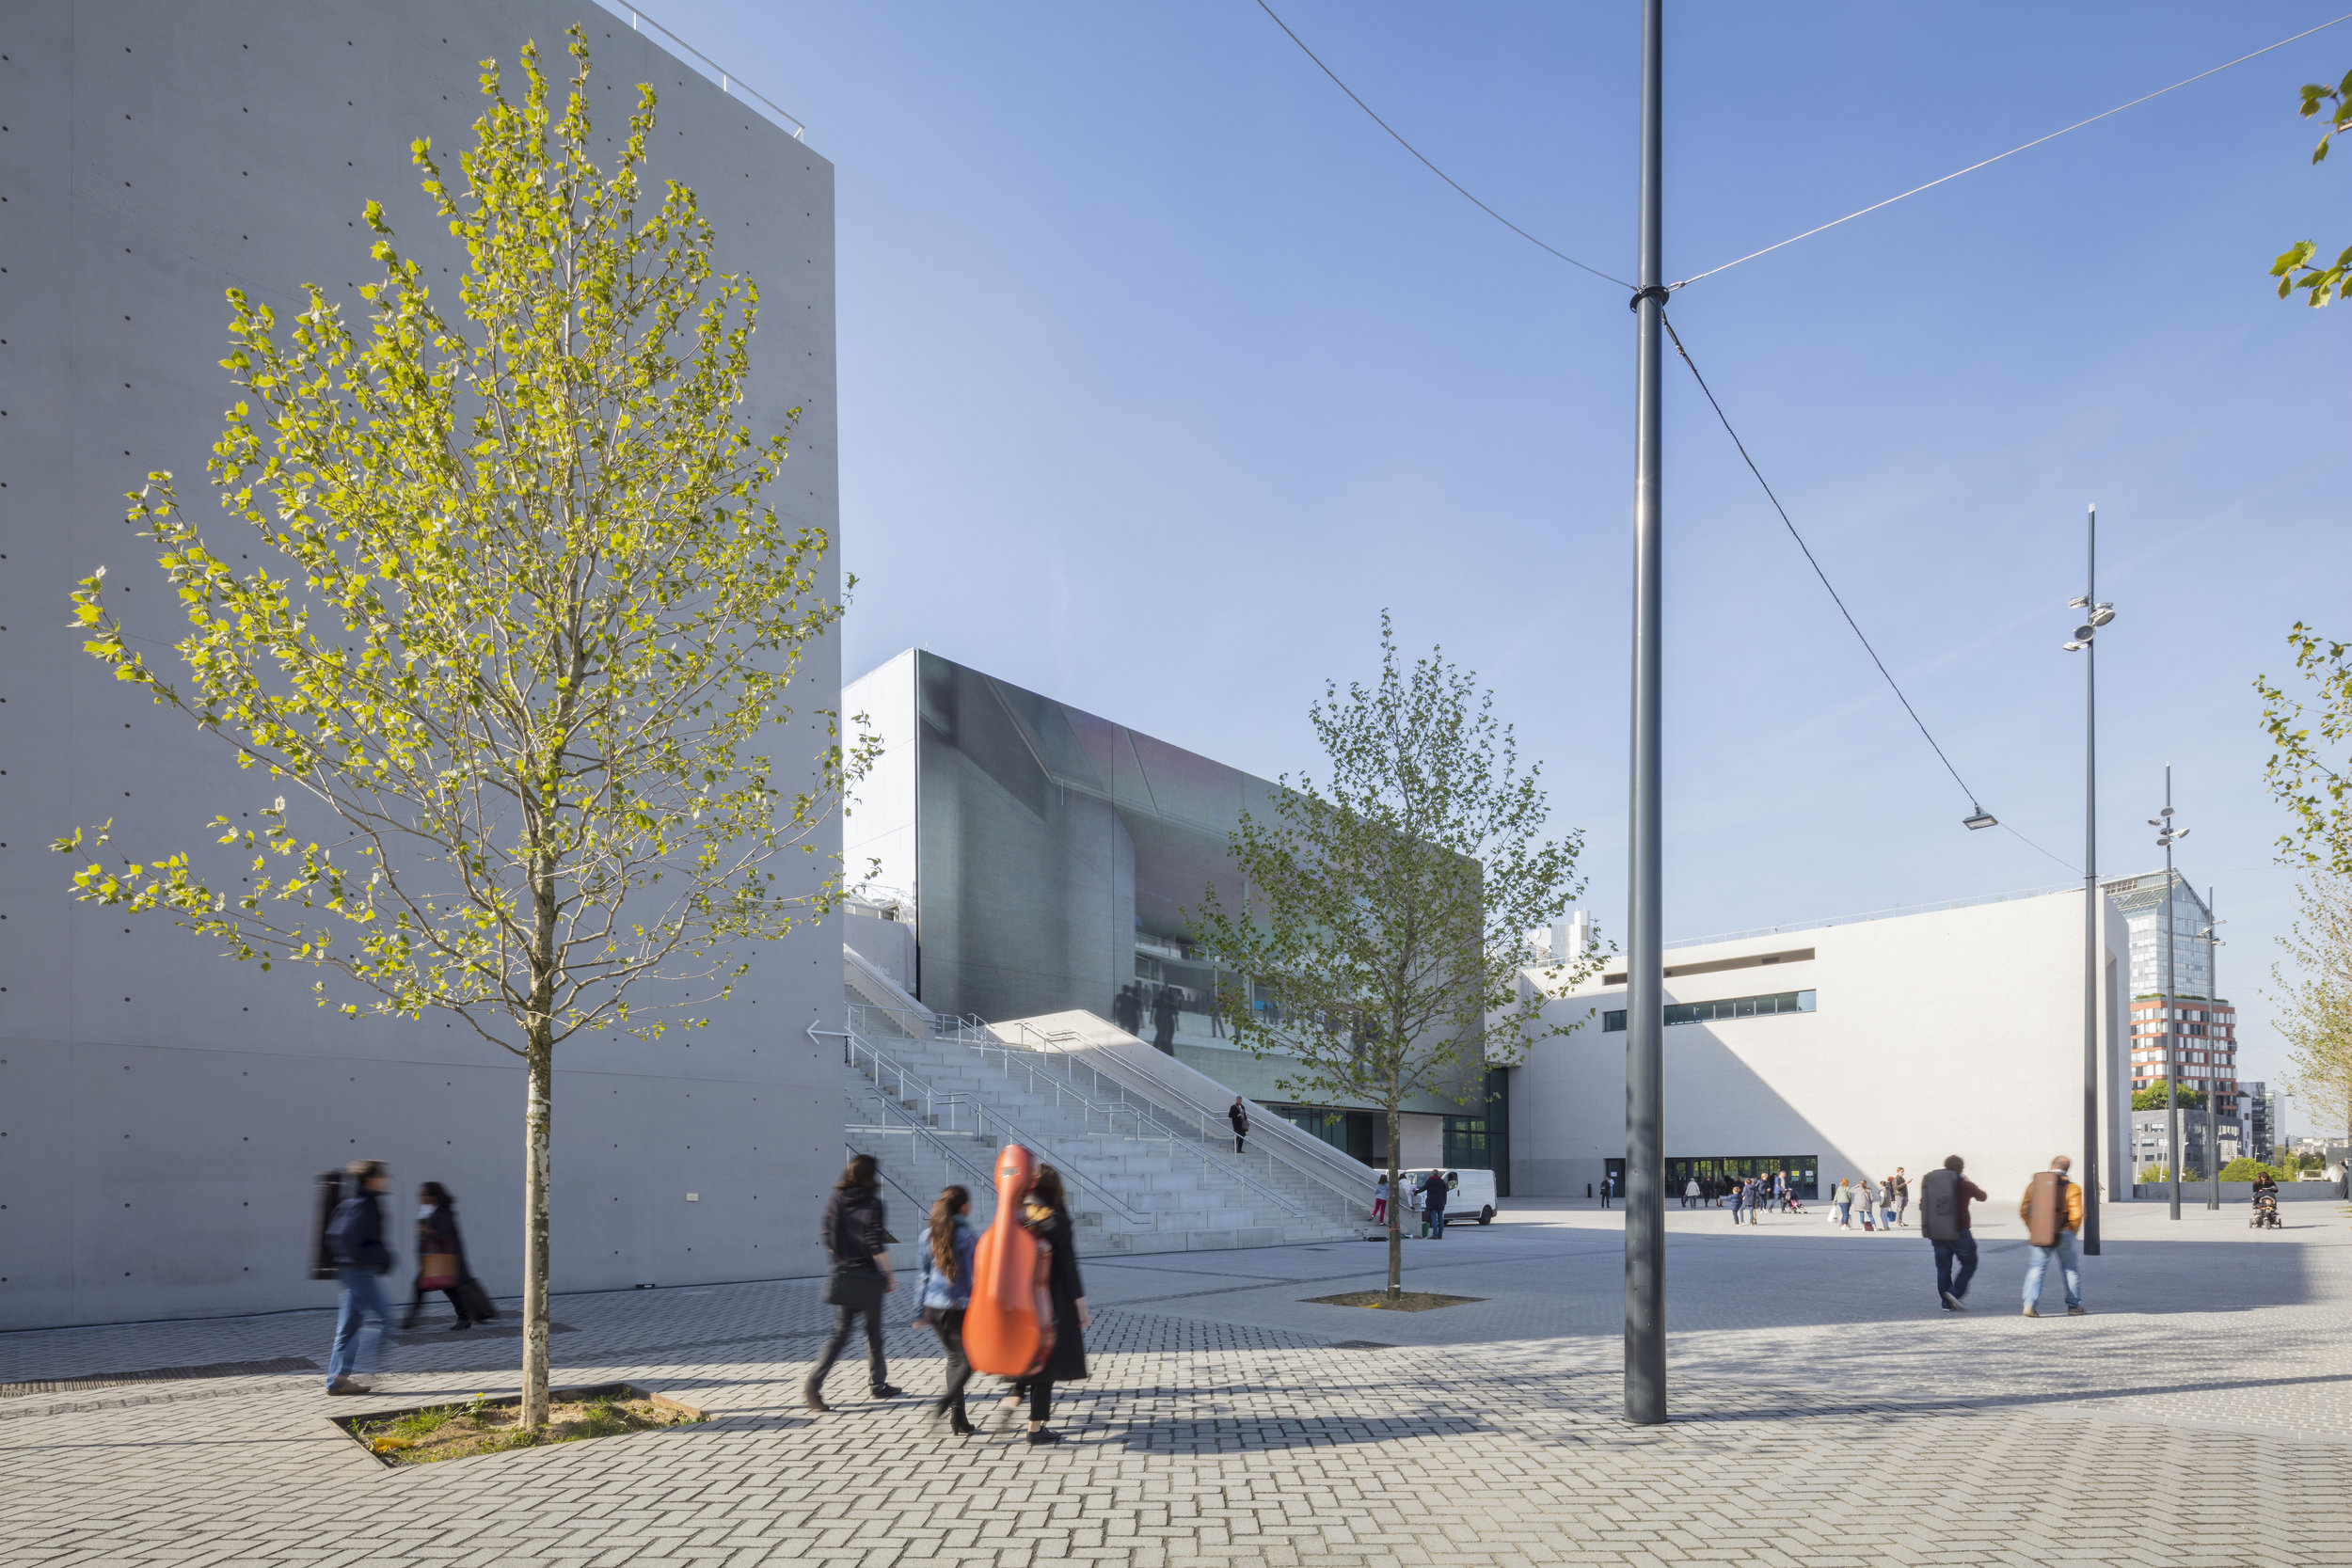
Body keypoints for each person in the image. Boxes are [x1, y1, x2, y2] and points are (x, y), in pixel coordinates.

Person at [995, 1164, 1089, 1444]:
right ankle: (1035, 1429)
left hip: (1021, 1300)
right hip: (1052, 1300)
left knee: (1027, 1352)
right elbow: (1068, 1264)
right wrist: (1080, 1304)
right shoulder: (1056, 1218)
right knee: (1046, 1363)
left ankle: (1012, 1395)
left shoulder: (1018, 1215)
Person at [805, 1153, 901, 1410]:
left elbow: (827, 1233)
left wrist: (842, 1259)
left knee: (840, 1334)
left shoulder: (837, 1199)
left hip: (845, 1276)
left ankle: (813, 1385)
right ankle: (877, 1385)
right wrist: (890, 1275)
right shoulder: (873, 1203)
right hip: (868, 1279)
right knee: (874, 1334)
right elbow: (874, 1243)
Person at [325, 1159, 394, 1395]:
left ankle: (336, 1381)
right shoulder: (362, 1204)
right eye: (383, 1175)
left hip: (352, 1271)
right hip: (359, 1271)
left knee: (348, 1329)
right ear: (371, 1178)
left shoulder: (359, 1201)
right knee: (385, 1319)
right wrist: (375, 1257)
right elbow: (345, 1237)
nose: (387, 1178)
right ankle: (366, 1369)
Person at [916, 1184, 979, 1434]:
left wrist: (918, 1312)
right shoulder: (966, 1236)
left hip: (933, 1307)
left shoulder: (927, 1235)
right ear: (963, 1207)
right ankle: (945, 1404)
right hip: (957, 1308)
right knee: (970, 1359)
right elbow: (975, 1277)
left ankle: (959, 1419)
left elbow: (923, 1276)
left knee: (955, 1358)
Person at [2019, 1154, 2087, 1318]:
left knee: (2036, 1268)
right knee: (2070, 1269)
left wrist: (2035, 1228)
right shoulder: (2073, 1188)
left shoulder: (2034, 1185)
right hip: (2065, 1233)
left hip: (2040, 1233)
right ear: (2067, 1169)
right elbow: (2076, 1215)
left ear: (2051, 1166)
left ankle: (2029, 1304)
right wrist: (2071, 1231)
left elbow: (2024, 1210)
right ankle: (2073, 1306)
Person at [400, 1181, 474, 1332]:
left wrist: (426, 1229)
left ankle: (410, 1320)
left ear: (433, 1196)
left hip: (442, 1258)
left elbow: (443, 1233)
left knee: (431, 1287)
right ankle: (464, 1317)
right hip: (434, 1259)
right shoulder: (429, 1210)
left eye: (424, 1194)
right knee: (447, 1288)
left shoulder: (444, 1212)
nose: (421, 1197)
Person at [1920, 1153, 1988, 1310]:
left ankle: (1946, 1303)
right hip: (1960, 1232)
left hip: (1937, 1232)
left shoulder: (1933, 1184)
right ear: (1961, 1168)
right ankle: (1954, 1293)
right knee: (1970, 1263)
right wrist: (1967, 1181)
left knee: (1943, 1268)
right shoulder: (1964, 1184)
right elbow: (1982, 1197)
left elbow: (1923, 1205)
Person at [1426, 1169, 1450, 1238]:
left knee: (1434, 1219)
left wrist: (1415, 1192)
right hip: (1441, 1203)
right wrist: (1444, 1202)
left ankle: (1434, 1234)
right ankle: (1440, 1235)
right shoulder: (1442, 1182)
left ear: (1432, 1174)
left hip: (1433, 1203)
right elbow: (1445, 1193)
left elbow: (1424, 1188)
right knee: (1440, 1219)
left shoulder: (1430, 1181)